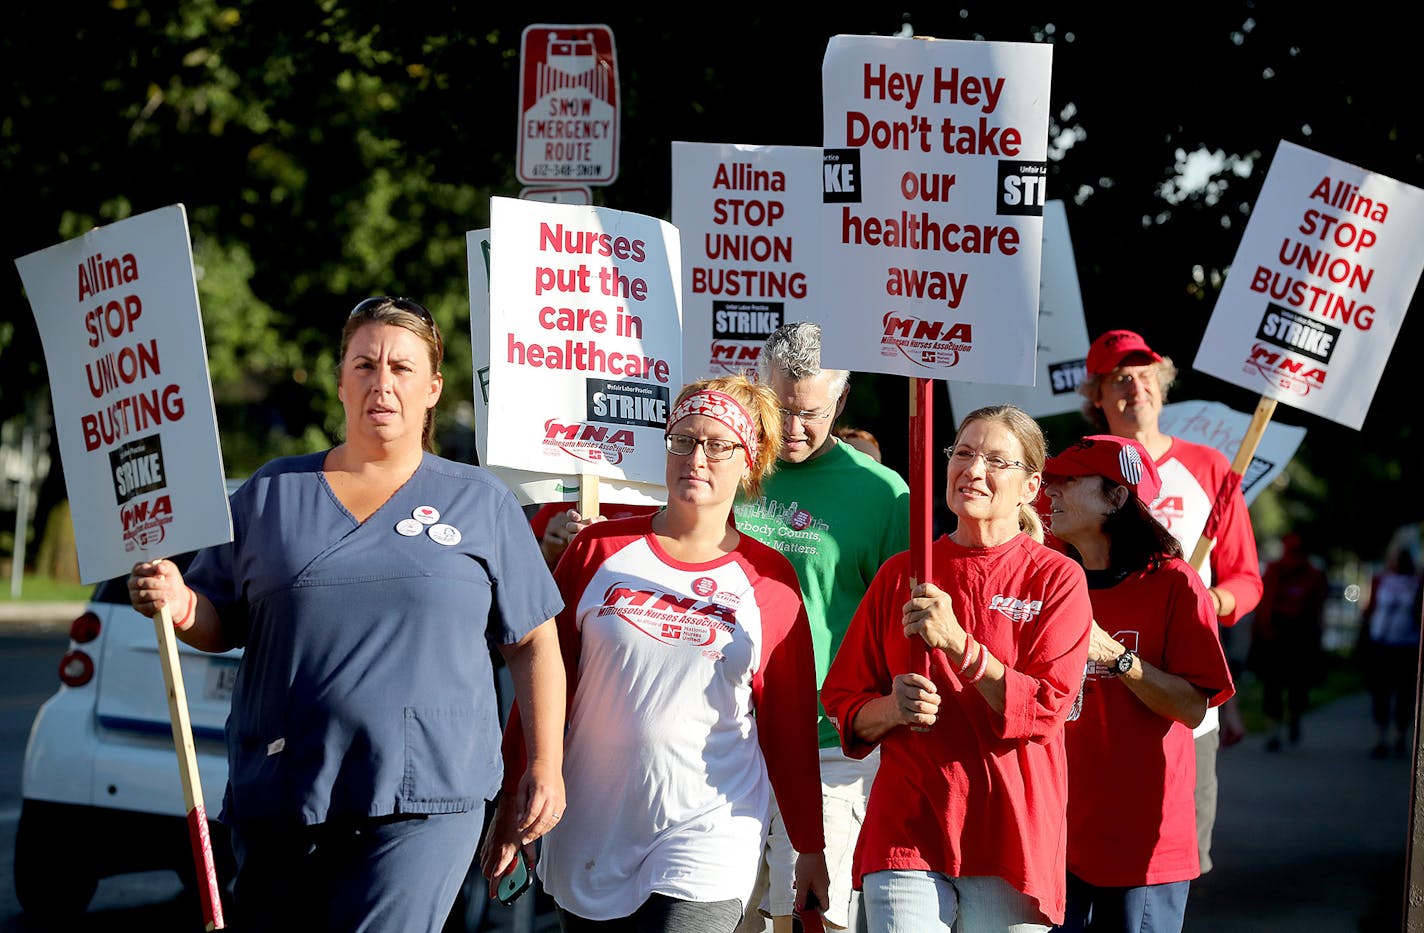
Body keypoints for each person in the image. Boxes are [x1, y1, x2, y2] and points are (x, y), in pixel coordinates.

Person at [126, 296, 568, 932]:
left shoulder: (481, 503)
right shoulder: (270, 495)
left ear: (433, 389)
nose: (381, 383)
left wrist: (544, 764)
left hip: (427, 797)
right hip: (284, 788)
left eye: (401, 368)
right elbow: (215, 619)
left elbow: (533, 643)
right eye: (364, 364)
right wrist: (178, 601)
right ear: (340, 381)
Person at [483, 374, 831, 932]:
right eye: (684, 440)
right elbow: (544, 681)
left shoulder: (771, 579)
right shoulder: (597, 549)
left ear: (750, 461)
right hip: (595, 826)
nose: (697, 457)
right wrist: (512, 791)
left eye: (718, 445)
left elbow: (788, 729)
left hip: (710, 830)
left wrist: (809, 845)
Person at [820, 404, 1093, 933]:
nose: (972, 470)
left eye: (996, 460)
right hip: (907, 829)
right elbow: (845, 705)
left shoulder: (1057, 579)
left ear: (1030, 486)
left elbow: (1046, 708)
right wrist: (890, 709)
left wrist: (961, 647)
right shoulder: (903, 572)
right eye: (963, 453)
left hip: (1010, 836)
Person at [734, 321, 911, 933]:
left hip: (830, 746)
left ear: (840, 399)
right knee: (722, 917)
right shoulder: (726, 464)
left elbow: (902, 627)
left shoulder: (885, 495)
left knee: (812, 921)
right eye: (779, 407)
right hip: (724, 736)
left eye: (809, 412)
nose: (791, 429)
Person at [1076, 328, 1262, 875]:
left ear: (1163, 383)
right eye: (1120, 379)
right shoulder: (1077, 470)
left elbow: (1247, 579)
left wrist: (1211, 598)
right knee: (1081, 859)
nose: (1137, 388)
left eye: (1146, 375)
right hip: (1090, 697)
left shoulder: (1211, 470)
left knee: (1173, 862)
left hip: (1184, 702)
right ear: (1097, 397)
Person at [1041, 435, 1235, 933]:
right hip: (1056, 835)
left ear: (1116, 497)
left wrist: (1116, 657)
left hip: (1140, 846)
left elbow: (1194, 707)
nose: (1050, 489)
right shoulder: (1050, 580)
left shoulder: (1174, 583)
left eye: (1069, 479)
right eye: (1051, 477)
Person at [1247, 532, 1329, 751]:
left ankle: (1284, 723)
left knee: (1290, 688)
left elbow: (1316, 609)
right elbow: (1265, 605)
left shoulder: (1311, 575)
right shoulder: (1280, 571)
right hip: (1283, 638)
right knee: (1280, 688)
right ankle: (1279, 727)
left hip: (1292, 638)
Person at [1358, 548, 1424, 758]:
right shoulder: (1381, 580)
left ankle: (1399, 735)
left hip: (1408, 645)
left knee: (1405, 693)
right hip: (1381, 643)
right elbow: (1370, 608)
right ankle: (1381, 736)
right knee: (1381, 692)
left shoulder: (1418, 582)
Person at [529, 500, 662, 570]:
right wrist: (547, 551)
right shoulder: (565, 500)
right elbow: (520, 571)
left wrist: (609, 545)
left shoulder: (653, 506)